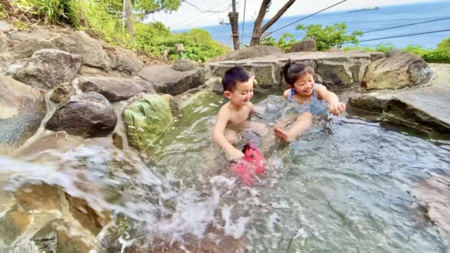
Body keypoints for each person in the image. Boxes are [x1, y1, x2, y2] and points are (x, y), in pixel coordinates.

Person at [274, 61, 346, 142]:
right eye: (302, 84)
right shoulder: (288, 94)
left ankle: (290, 136)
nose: (308, 86)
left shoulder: (317, 90)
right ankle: (277, 133)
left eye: (310, 80)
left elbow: (328, 94)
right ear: (292, 87)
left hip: (319, 118)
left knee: (306, 115)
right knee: (286, 119)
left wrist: (334, 103)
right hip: (300, 117)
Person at [212, 66, 264, 160]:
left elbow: (259, 114)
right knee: (232, 138)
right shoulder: (226, 112)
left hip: (242, 126)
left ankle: (263, 153)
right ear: (228, 94)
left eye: (251, 91)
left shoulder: (248, 106)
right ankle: (230, 161)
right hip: (228, 131)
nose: (248, 95)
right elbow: (216, 133)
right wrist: (231, 149)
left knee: (263, 128)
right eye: (244, 93)